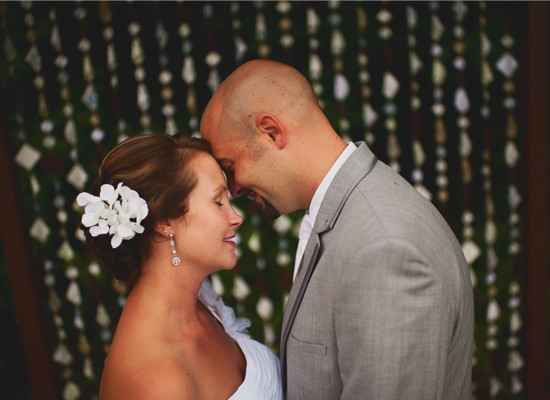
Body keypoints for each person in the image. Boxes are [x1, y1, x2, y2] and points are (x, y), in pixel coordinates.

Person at [200, 60, 474, 400]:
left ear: (271, 131)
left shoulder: (384, 248)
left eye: (230, 166)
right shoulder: (351, 212)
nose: (234, 188)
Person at [77, 133, 283, 400]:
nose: (236, 217)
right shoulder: (156, 381)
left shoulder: (201, 304)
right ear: (165, 221)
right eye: (218, 201)